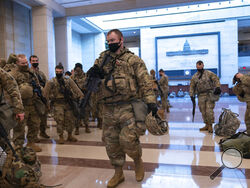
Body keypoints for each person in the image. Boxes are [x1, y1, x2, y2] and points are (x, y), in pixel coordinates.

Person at [88, 29, 157, 188]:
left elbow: (145, 83)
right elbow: (92, 82)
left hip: (128, 107)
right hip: (108, 109)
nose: (110, 43)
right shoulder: (102, 59)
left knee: (128, 140)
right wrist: (92, 73)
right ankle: (118, 173)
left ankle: (137, 161)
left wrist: (151, 102)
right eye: (108, 41)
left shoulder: (133, 60)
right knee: (111, 143)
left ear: (121, 40)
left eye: (113, 40)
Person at [43, 63, 84, 144]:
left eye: (60, 72)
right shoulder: (51, 82)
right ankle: (61, 136)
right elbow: (45, 94)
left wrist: (81, 95)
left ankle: (69, 135)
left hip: (67, 102)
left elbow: (75, 88)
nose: (58, 73)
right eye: (57, 72)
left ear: (63, 71)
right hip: (57, 103)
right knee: (60, 120)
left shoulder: (68, 80)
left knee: (70, 119)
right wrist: (47, 105)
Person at [10, 54, 43, 152]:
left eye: (26, 63)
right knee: (20, 127)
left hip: (32, 103)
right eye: (22, 63)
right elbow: (10, 91)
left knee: (35, 124)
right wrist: (15, 108)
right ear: (17, 63)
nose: (25, 65)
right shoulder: (13, 74)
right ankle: (18, 146)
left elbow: (37, 84)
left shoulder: (31, 72)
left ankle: (31, 142)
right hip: (20, 106)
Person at [189, 60, 221, 133]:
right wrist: (191, 95)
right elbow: (192, 86)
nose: (199, 67)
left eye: (200, 65)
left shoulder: (209, 73)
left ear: (203, 65)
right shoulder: (195, 76)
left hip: (210, 94)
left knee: (209, 111)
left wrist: (218, 87)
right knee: (203, 111)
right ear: (196, 66)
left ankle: (210, 126)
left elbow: (216, 79)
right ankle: (206, 125)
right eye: (197, 66)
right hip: (200, 95)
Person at [29, 55, 50, 139]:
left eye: (36, 60)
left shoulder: (41, 73)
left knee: (43, 117)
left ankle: (43, 132)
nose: (35, 62)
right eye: (33, 61)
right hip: (33, 99)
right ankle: (34, 136)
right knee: (35, 119)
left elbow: (46, 83)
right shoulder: (28, 73)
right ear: (30, 62)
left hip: (42, 98)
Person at [71, 63, 91, 134]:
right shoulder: (73, 77)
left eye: (79, 69)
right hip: (76, 97)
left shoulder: (86, 76)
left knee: (86, 113)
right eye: (76, 69)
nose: (77, 70)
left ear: (81, 68)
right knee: (77, 113)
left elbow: (90, 86)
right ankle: (77, 128)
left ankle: (87, 126)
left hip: (85, 97)